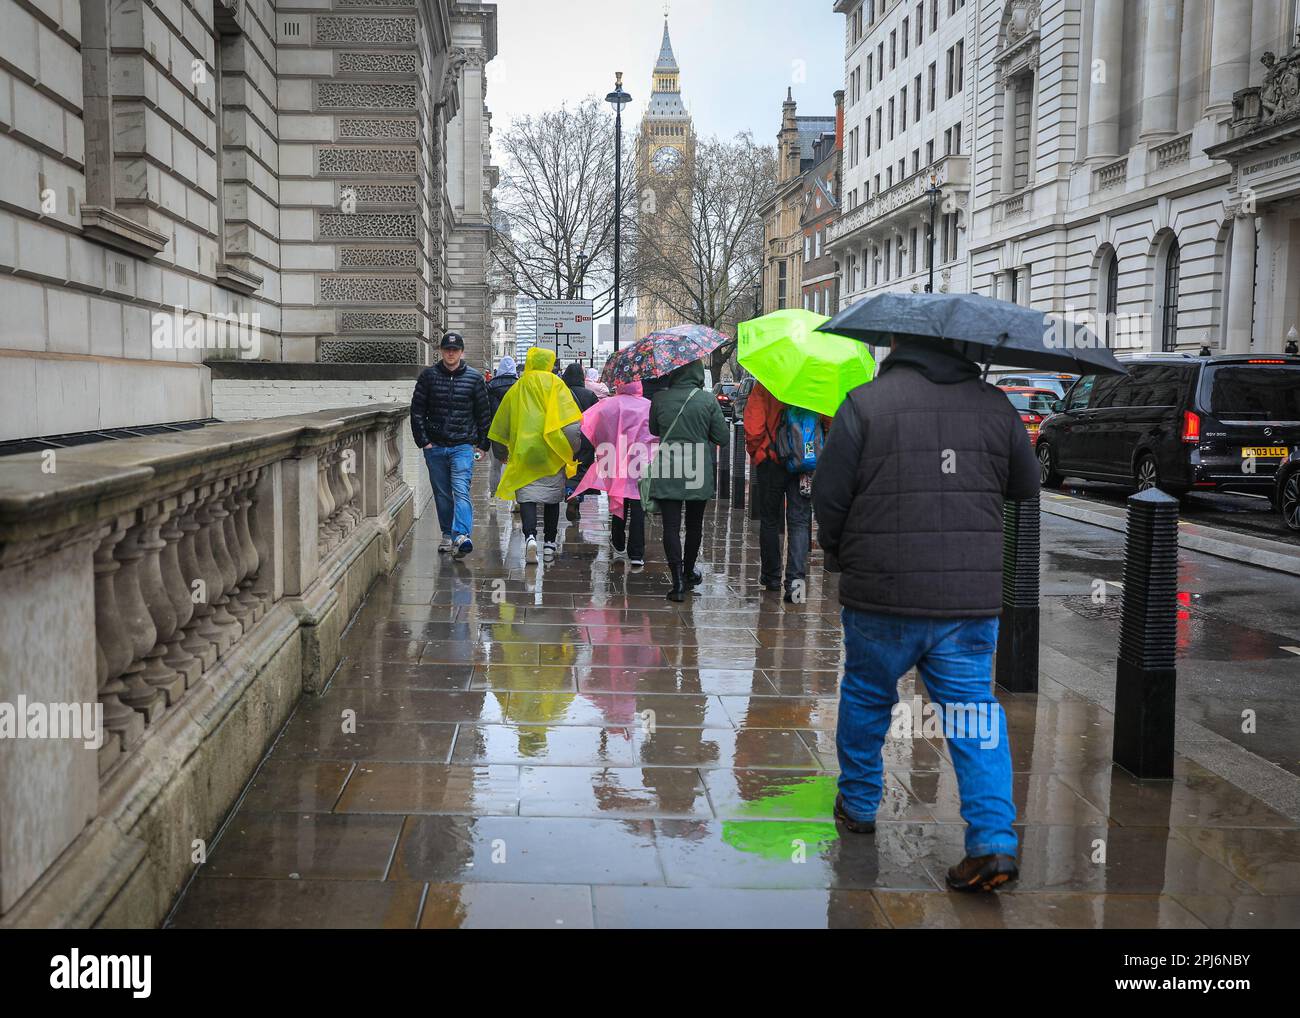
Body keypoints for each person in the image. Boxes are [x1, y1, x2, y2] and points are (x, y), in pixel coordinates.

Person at [813, 336, 1040, 893]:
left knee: (867, 696)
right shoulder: (995, 405)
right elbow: (1026, 486)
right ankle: (992, 842)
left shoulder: (864, 404)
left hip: (881, 590)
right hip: (968, 597)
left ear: (899, 347)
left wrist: (839, 548)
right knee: (973, 714)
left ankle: (861, 805)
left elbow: (830, 495)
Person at [489, 347, 583, 564]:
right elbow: (571, 423)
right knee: (551, 497)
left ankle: (530, 536)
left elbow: (501, 422)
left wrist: (501, 451)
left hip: (524, 451)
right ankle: (549, 543)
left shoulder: (518, 386)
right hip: (552, 451)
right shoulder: (557, 385)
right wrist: (573, 448)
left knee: (528, 496)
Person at [646, 360, 729, 602]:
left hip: (668, 468)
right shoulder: (707, 400)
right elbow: (723, 437)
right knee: (694, 525)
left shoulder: (660, 399)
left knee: (670, 527)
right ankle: (688, 570)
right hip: (697, 470)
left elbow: (653, 430)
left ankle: (677, 582)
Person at [410, 331, 490, 558]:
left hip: (463, 446)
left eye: (455, 350)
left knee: (461, 489)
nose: (451, 353)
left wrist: (483, 445)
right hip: (435, 446)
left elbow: (484, 414)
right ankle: (448, 533)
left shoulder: (474, 379)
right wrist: (424, 442)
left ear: (461, 352)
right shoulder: (428, 377)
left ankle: (462, 535)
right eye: (447, 349)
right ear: (441, 351)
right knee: (442, 493)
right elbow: (417, 411)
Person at [744, 381, 817, 603]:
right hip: (803, 462)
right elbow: (828, 421)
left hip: (771, 461)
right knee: (799, 521)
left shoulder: (766, 383)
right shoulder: (813, 383)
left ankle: (771, 577)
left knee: (769, 520)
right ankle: (796, 586)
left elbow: (753, 426)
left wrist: (759, 452)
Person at [572, 378, 653, 567]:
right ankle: (636, 553)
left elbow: (593, 426)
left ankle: (618, 542)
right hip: (640, 462)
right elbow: (654, 433)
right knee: (638, 505)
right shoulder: (648, 406)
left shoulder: (607, 405)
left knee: (619, 498)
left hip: (615, 460)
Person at [562, 362, 599, 521]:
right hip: (585, 437)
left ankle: (569, 492)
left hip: (563, 437)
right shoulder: (589, 395)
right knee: (582, 468)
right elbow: (598, 417)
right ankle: (576, 497)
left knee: (566, 466)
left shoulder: (561, 394)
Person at [486, 354, 520, 499]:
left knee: (495, 465)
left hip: (495, 431)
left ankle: (493, 495)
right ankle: (516, 499)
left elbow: (485, 410)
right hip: (516, 431)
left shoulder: (490, 386)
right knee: (516, 466)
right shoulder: (520, 385)